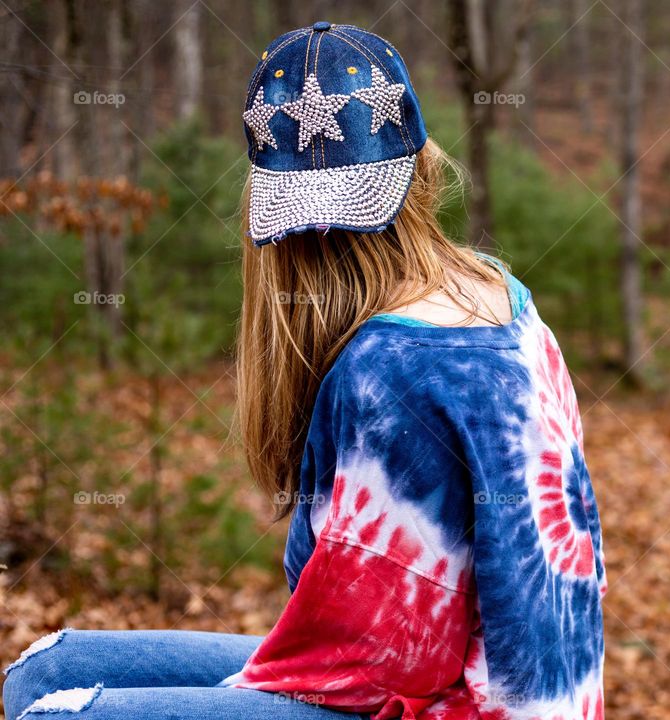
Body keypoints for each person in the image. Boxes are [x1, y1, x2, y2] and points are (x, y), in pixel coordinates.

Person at [3, 22, 606, 720]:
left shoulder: (388, 368)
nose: (321, 240)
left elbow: (386, 663)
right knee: (45, 671)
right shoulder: (501, 293)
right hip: (514, 690)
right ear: (420, 170)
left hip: (458, 705)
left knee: (60, 713)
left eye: (335, 217)